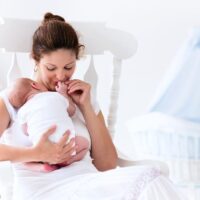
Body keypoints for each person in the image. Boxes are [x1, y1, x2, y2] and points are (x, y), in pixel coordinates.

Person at [0, 12, 186, 200]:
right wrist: (36, 153)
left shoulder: (81, 98)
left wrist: (86, 106)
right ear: (35, 60)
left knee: (152, 178)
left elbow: (107, 165)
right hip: (43, 191)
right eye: (51, 68)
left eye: (68, 67)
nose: (60, 76)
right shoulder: (17, 96)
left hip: (88, 185)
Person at [7, 77, 89, 171]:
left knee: (23, 160)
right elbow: (72, 110)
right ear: (35, 85)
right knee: (85, 144)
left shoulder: (22, 111)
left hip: (42, 150)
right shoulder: (55, 96)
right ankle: (70, 160)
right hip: (67, 147)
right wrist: (63, 93)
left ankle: (41, 166)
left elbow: (25, 131)